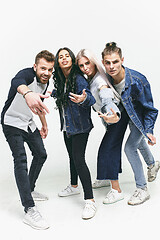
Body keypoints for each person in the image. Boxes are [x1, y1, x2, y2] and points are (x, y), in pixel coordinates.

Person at [97, 42, 159, 205]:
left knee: (130, 147)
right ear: (103, 62)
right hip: (124, 117)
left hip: (138, 118)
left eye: (115, 62)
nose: (111, 66)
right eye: (108, 62)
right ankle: (153, 164)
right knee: (137, 144)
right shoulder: (106, 79)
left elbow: (150, 109)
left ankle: (142, 189)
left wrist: (149, 130)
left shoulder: (138, 80)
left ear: (122, 60)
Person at [1, 50, 55, 229]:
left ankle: (30, 188)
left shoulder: (45, 83)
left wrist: (44, 124)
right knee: (21, 161)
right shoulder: (27, 74)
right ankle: (29, 208)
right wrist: (27, 93)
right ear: (35, 67)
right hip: (11, 122)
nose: (46, 73)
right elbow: (16, 82)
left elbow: (39, 105)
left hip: (28, 122)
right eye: (43, 68)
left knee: (41, 154)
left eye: (50, 70)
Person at [51, 47, 96, 219]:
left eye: (67, 56)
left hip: (80, 127)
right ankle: (74, 186)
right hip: (67, 126)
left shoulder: (78, 79)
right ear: (58, 62)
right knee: (72, 157)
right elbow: (65, 96)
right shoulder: (63, 79)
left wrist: (84, 99)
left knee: (79, 160)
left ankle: (90, 201)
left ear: (72, 59)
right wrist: (54, 93)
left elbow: (89, 97)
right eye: (60, 57)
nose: (64, 58)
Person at [76, 49, 122, 191]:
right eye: (81, 66)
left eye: (87, 63)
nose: (85, 68)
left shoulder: (100, 80)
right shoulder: (92, 77)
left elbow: (105, 95)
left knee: (107, 150)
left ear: (94, 62)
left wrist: (112, 113)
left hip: (115, 116)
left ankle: (116, 189)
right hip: (108, 118)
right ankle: (105, 178)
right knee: (118, 147)